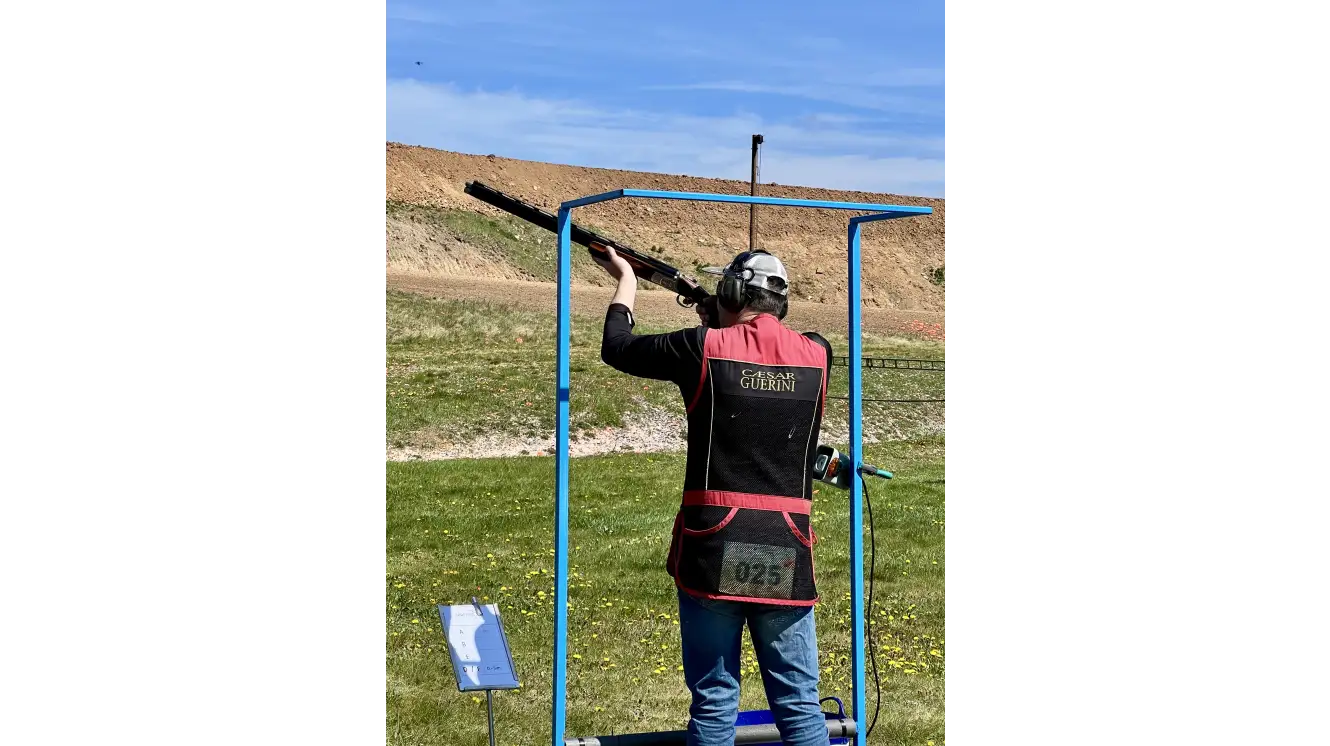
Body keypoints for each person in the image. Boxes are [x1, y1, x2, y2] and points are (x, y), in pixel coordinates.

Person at [594, 245, 834, 746]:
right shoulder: (818, 353)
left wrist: (626, 279)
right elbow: (770, 348)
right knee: (799, 704)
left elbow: (617, 346)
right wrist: (719, 316)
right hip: (784, 544)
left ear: (730, 292)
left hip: (714, 544)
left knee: (714, 699)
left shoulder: (701, 347)